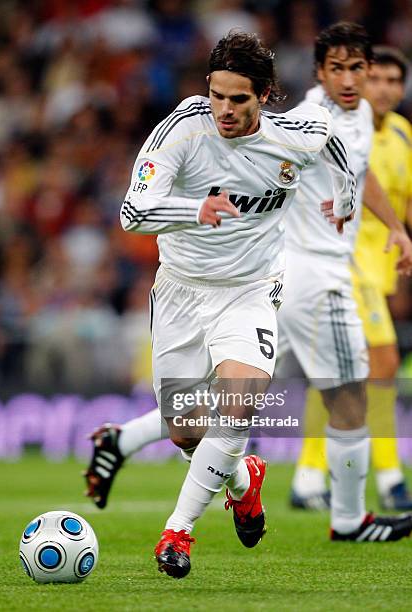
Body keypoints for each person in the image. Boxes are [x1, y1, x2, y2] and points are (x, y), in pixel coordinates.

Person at [87, 30, 357, 579]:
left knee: (237, 404)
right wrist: (196, 209)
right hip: (182, 291)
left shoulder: (291, 139)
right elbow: (132, 213)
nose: (224, 110)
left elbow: (330, 140)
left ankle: (177, 532)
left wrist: (345, 192)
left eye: (239, 99)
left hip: (252, 291)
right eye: (217, 95)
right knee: (186, 430)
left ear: (265, 96)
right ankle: (244, 481)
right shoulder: (183, 130)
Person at [291, 45, 412, 511]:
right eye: (376, 78)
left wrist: (400, 237)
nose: (383, 88)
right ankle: (389, 476)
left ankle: (309, 476)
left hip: (376, 267)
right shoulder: (336, 123)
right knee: (378, 363)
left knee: (343, 369)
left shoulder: (401, 133)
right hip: (341, 262)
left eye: (392, 80)